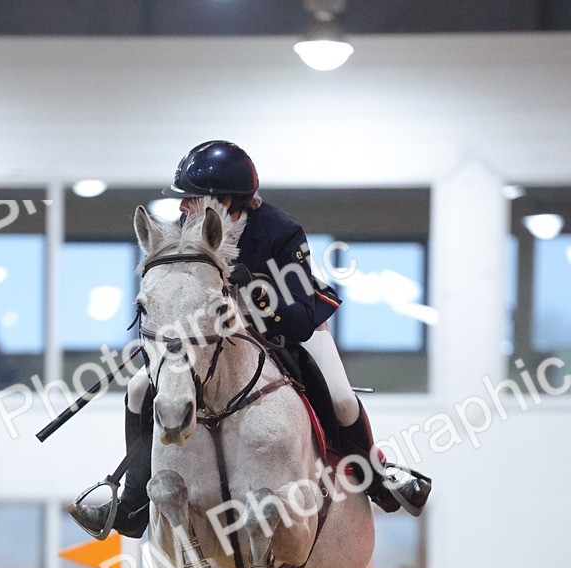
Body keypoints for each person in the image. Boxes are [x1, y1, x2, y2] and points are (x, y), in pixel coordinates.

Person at [68, 140, 431, 539]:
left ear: (224, 199)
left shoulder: (281, 231)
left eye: (191, 199)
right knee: (139, 388)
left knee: (342, 399)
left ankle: (375, 471)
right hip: (213, 338)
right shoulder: (186, 232)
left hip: (288, 329)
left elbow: (298, 321)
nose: (183, 208)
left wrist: (257, 291)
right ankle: (134, 497)